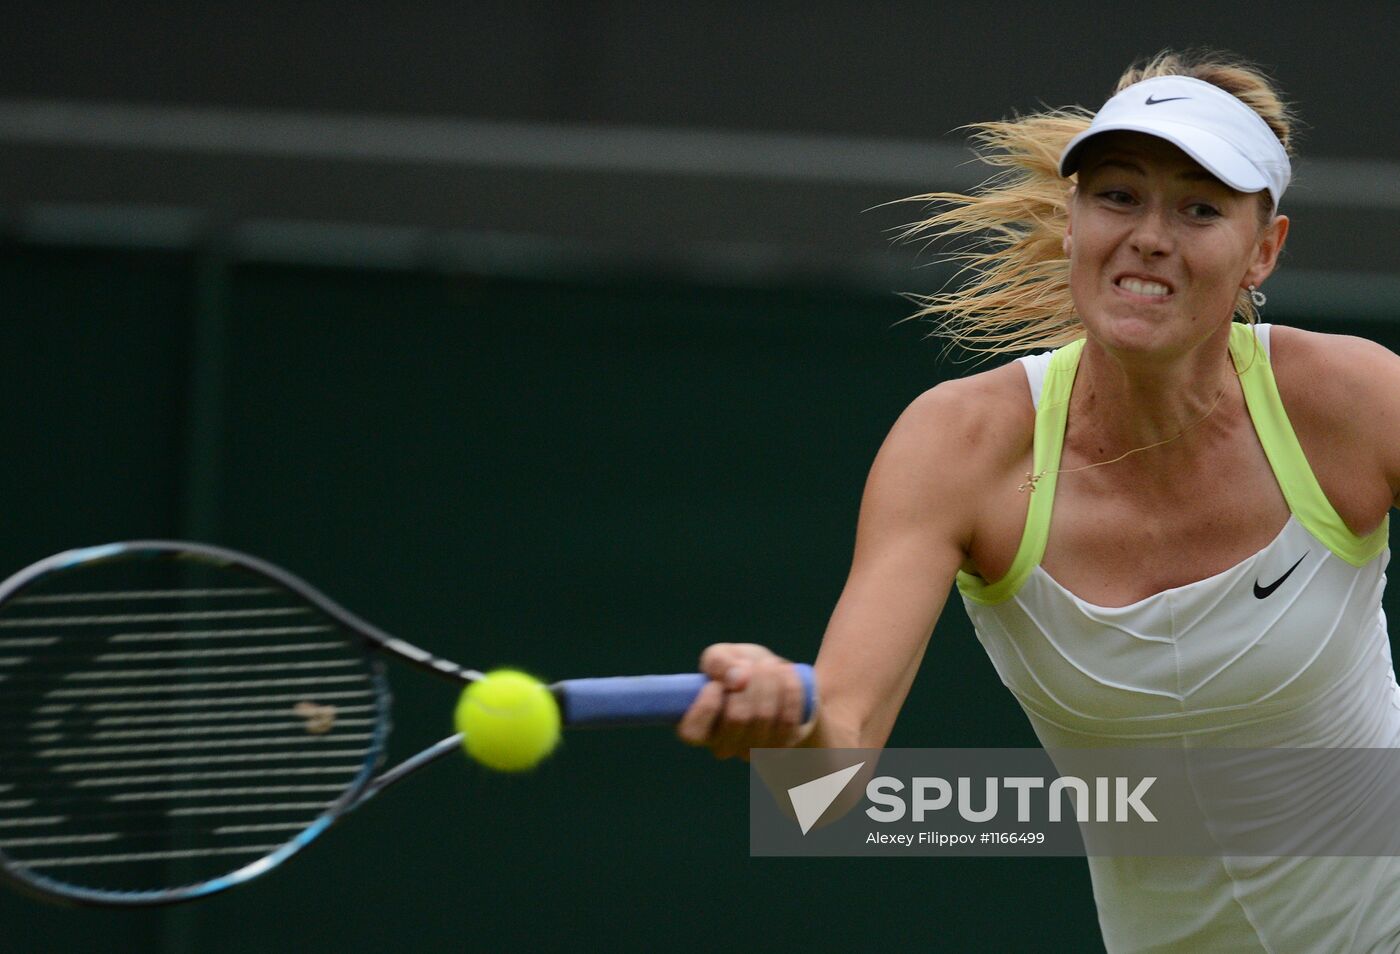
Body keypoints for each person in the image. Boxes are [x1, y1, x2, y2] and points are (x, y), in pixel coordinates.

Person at [677, 50, 1400, 952]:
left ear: (1264, 250)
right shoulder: (960, 448)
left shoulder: (1356, 404)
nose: (1149, 235)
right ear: (1072, 222)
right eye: (1118, 195)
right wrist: (789, 727)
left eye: (1201, 209)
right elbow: (822, 796)